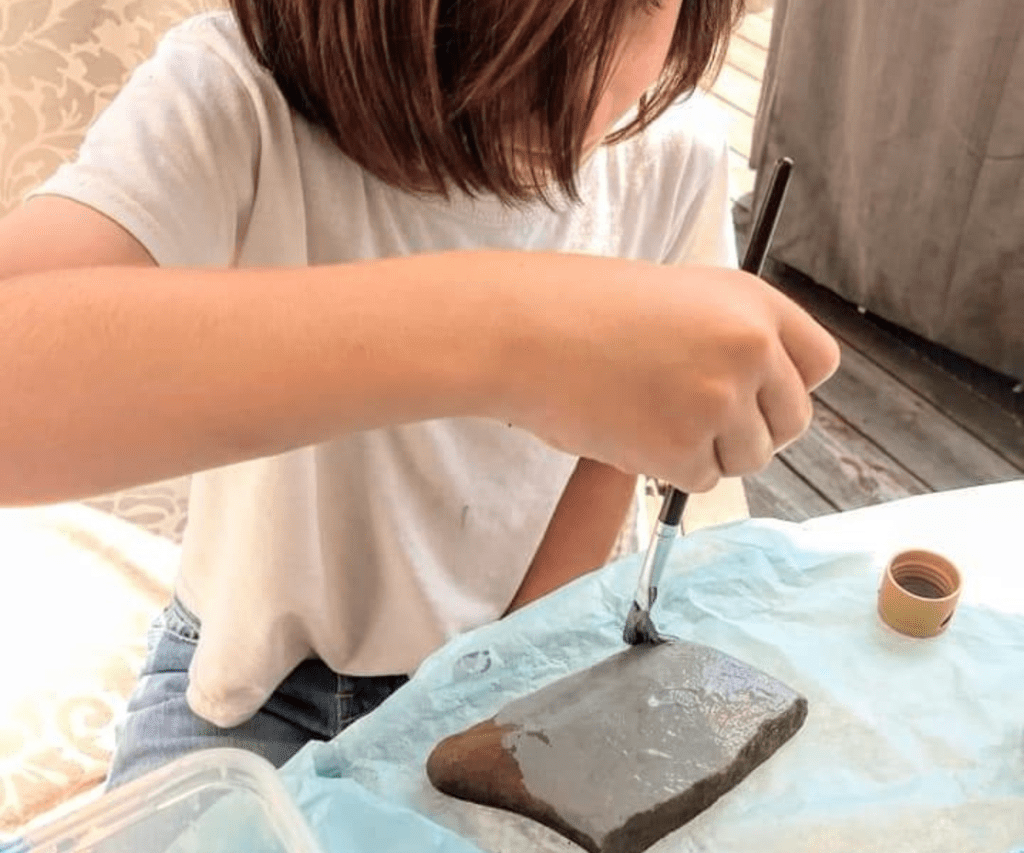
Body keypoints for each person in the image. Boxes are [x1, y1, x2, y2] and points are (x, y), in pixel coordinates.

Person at [0, 0, 838, 787]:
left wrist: (511, 677)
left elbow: (614, 455)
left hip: (499, 668)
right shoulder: (241, 98)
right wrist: (512, 335)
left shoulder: (672, 154)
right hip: (251, 687)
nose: (579, 68)